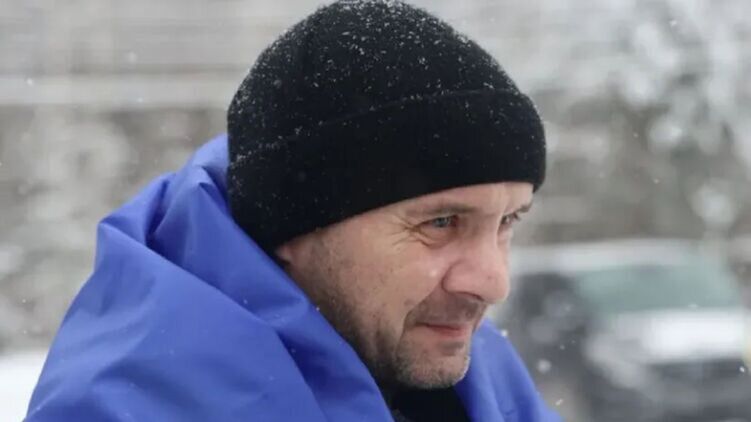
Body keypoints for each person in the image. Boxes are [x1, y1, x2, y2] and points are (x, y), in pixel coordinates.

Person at [26, 1, 558, 421]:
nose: (493, 282)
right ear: (292, 227)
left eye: (507, 222)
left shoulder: (473, 373)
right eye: (440, 223)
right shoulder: (130, 408)